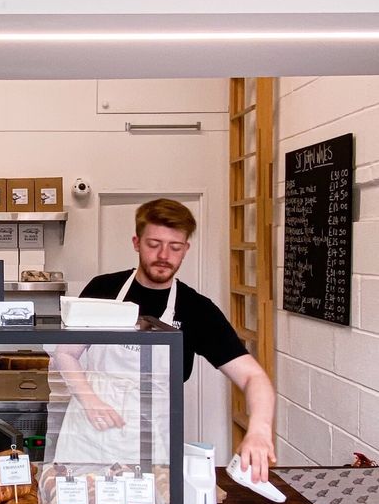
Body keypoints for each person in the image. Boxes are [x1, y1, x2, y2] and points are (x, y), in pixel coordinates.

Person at [53, 198, 275, 482]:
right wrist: (90, 400)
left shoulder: (197, 309)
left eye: (175, 247)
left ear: (186, 249)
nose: (163, 255)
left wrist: (258, 430)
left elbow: (253, 377)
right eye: (153, 244)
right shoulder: (103, 288)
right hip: (89, 437)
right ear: (136, 242)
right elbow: (65, 353)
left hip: (153, 443)